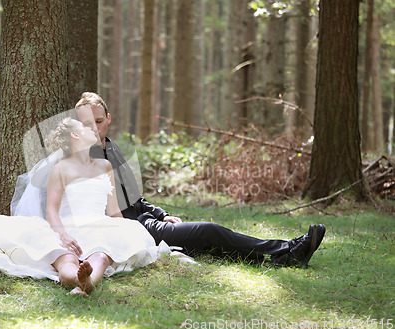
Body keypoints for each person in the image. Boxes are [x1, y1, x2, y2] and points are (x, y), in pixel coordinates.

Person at [75, 92, 326, 267]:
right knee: (208, 230)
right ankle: (287, 251)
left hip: (146, 220)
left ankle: (280, 256)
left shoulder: (113, 148)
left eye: (99, 121)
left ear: (108, 118)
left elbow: (134, 196)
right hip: (131, 230)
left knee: (207, 241)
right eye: (88, 124)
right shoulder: (82, 160)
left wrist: (161, 214)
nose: (95, 129)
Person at [0, 117, 165, 297]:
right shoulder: (61, 168)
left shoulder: (104, 165)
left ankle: (87, 280)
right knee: (65, 259)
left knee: (101, 256)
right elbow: (51, 210)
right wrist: (63, 235)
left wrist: (122, 232)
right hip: (66, 226)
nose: (93, 129)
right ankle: (77, 279)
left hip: (99, 225)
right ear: (75, 135)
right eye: (86, 127)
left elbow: (113, 210)